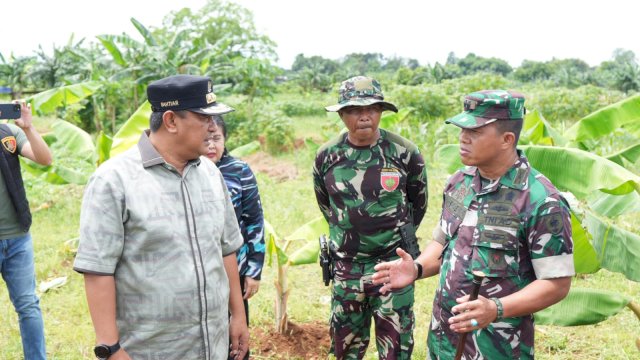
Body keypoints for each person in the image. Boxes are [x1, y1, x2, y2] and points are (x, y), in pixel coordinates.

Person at [373, 90, 574, 359]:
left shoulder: (541, 200)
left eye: (475, 131)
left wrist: (496, 308)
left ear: (507, 139)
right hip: (444, 339)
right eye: (461, 129)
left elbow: (557, 284)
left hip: (497, 346)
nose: (463, 138)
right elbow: (442, 243)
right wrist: (418, 268)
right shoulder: (460, 183)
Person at [73, 75, 249, 360]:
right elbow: (98, 269)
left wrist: (238, 316)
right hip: (150, 350)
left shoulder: (210, 172)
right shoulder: (114, 180)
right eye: (204, 118)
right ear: (171, 121)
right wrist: (111, 348)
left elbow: (226, 248)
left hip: (212, 345)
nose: (212, 127)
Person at [313, 76, 428, 359]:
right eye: (353, 109)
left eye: (372, 108)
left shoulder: (405, 153)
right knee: (345, 348)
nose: (364, 116)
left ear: (381, 111)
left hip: (392, 267)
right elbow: (326, 205)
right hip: (346, 268)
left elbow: (418, 204)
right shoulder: (327, 156)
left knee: (396, 349)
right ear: (341, 114)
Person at [204, 115, 265, 360]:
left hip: (235, 271)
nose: (211, 145)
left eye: (216, 138)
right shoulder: (187, 170)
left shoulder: (239, 170)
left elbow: (254, 221)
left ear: (225, 140)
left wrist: (253, 270)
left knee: (236, 340)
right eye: (205, 139)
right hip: (199, 273)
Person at [1, 101, 52, 360]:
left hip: (18, 238)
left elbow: (45, 159)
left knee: (28, 306)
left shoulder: (9, 133)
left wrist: (29, 128)